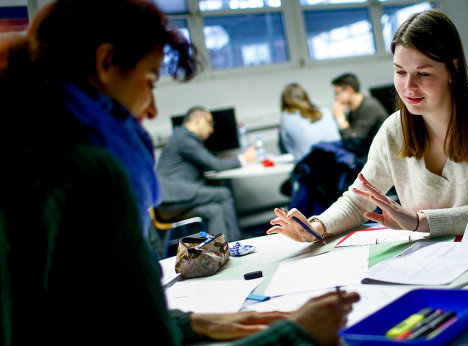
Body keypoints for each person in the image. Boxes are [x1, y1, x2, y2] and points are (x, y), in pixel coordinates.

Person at [0, 1, 359, 345]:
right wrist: (299, 332)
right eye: (150, 81)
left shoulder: (24, 156)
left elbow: (80, 320)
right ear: (106, 61)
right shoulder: (90, 174)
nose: (153, 109)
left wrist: (190, 322)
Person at [267, 10, 468, 242]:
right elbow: (357, 201)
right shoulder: (394, 129)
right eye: (400, 72)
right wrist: (315, 227)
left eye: (423, 73)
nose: (409, 87)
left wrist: (419, 222)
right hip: (430, 261)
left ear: (452, 69)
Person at [156, 106, 257, 242]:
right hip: (171, 200)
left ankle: (219, 250)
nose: (211, 129)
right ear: (198, 119)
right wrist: (244, 158)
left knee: (215, 210)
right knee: (224, 194)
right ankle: (236, 244)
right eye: (209, 122)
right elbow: (215, 164)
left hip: (170, 201)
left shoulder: (181, 135)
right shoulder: (186, 138)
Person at [279, 82, 341, 162]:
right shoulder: (325, 111)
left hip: (312, 168)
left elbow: (287, 148)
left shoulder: (286, 117)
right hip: (339, 164)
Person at [331, 72, 389, 156]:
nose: (335, 97)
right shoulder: (353, 111)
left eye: (337, 93)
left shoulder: (369, 106)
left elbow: (354, 144)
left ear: (349, 90)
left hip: (379, 157)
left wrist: (341, 119)